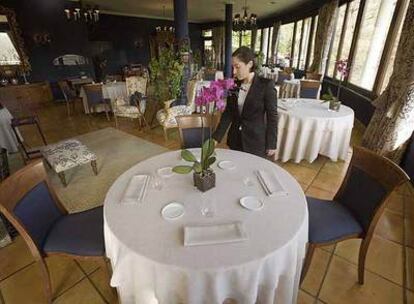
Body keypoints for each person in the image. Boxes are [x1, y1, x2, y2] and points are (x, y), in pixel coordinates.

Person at [213, 46, 278, 158]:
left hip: (255, 142)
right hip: (235, 139)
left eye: (237, 67)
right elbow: (228, 113)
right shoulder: (234, 85)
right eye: (233, 67)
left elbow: (272, 116)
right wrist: (216, 138)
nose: (234, 71)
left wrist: (272, 144)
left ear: (250, 64)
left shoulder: (266, 85)